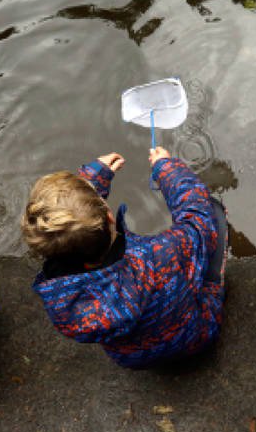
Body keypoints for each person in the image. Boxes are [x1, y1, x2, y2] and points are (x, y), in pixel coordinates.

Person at [20, 148, 227, 368]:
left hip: (135, 358)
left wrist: (94, 178)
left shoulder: (61, 299)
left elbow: (71, 226)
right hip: (194, 337)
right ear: (110, 216)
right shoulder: (158, 256)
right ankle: (215, 286)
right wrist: (167, 169)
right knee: (213, 215)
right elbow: (197, 218)